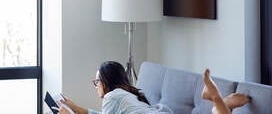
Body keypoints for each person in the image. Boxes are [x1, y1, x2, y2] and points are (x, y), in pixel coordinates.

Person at [53, 61, 250, 114]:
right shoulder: (125, 94)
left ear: (106, 82)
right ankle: (220, 104)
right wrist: (78, 109)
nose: (96, 87)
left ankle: (217, 100)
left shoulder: (112, 97)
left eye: (97, 82)